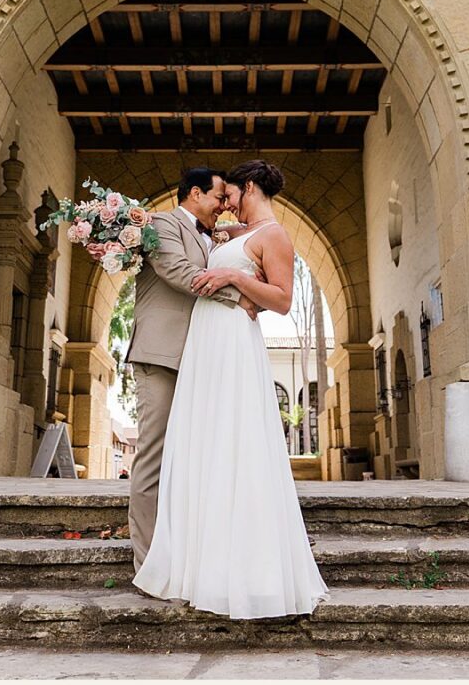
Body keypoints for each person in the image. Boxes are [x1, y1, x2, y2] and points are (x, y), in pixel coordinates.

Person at [133, 160, 329, 619]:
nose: (224, 204)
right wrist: (234, 274)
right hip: (201, 348)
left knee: (234, 447)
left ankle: (241, 566)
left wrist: (239, 280)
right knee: (199, 451)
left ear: (247, 187)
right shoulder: (225, 233)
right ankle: (189, 558)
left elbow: (281, 299)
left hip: (229, 345)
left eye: (230, 194)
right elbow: (185, 270)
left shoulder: (273, 234)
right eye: (218, 197)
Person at [124, 167, 254, 574]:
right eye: (218, 198)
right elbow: (177, 272)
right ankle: (146, 562)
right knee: (154, 457)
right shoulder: (161, 224)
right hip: (160, 355)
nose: (222, 207)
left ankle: (182, 551)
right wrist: (239, 294)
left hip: (198, 359)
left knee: (190, 458)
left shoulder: (207, 232)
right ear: (195, 193)